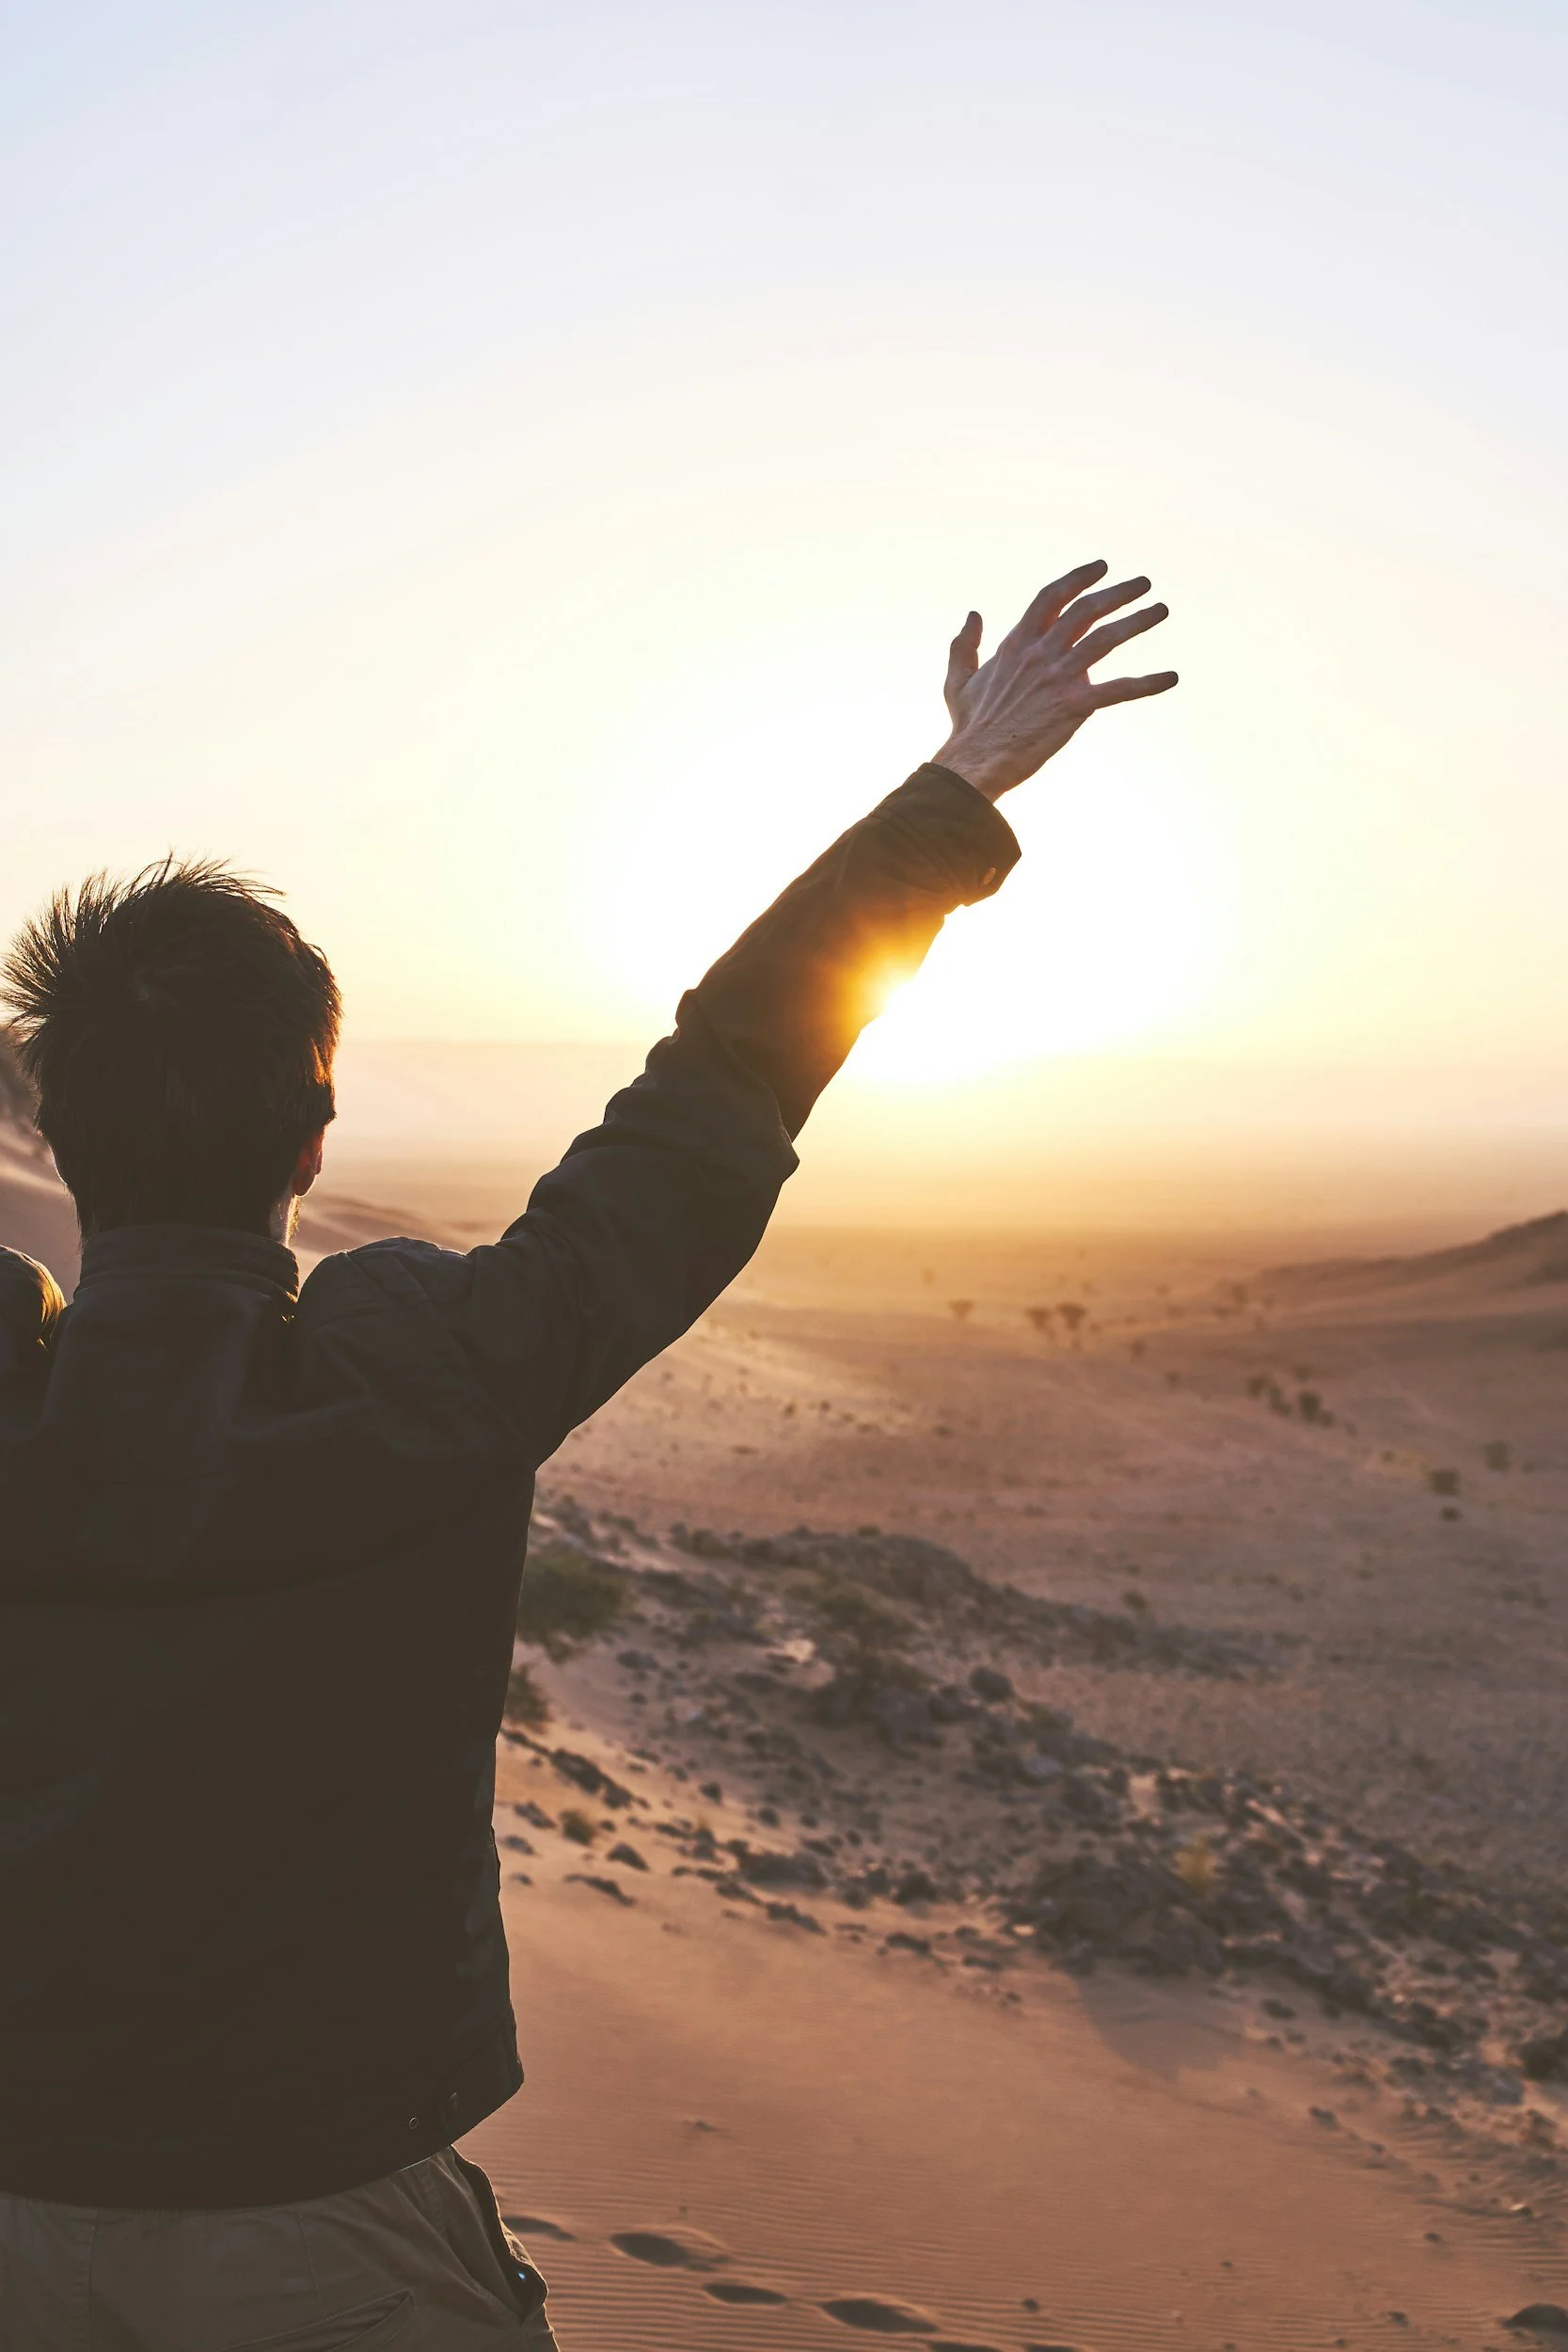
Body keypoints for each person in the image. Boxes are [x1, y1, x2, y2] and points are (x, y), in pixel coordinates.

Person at [0, 562, 1174, 2350]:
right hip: (321, 2223)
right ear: (315, 1133)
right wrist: (955, 792)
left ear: (54, 1131)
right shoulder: (427, 1381)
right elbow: (713, 1100)